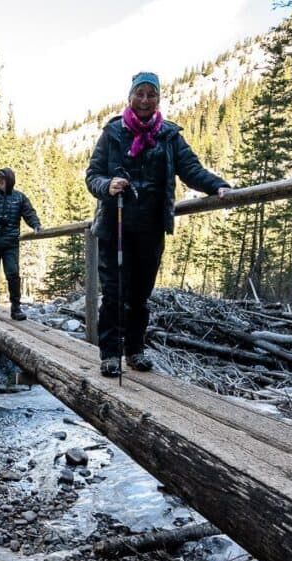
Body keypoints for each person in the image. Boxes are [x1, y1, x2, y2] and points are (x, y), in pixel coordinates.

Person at [86, 72, 230, 377]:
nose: (145, 100)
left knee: (140, 295)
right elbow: (93, 175)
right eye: (140, 93)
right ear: (130, 97)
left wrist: (218, 186)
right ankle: (110, 354)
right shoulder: (112, 133)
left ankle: (135, 351)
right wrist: (107, 185)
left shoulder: (169, 136)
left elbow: (191, 169)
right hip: (115, 226)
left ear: (158, 99)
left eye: (151, 94)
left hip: (150, 228)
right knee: (114, 293)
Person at [0, 167, 42, 320]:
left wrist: (36, 225)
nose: (0, 182)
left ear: (10, 181)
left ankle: (16, 308)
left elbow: (29, 213)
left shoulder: (20, 198)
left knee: (13, 274)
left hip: (10, 244)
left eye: (3, 179)